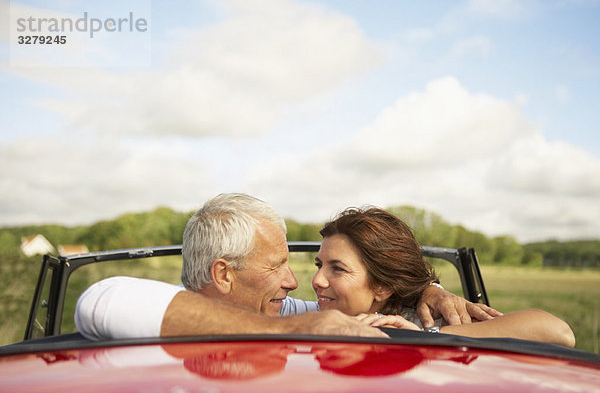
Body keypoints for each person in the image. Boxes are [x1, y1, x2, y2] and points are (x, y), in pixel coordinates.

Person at [75, 193, 497, 340]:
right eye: (277, 265)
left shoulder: (292, 311)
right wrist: (291, 330)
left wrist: (425, 288)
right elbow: (101, 299)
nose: (297, 282)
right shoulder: (292, 319)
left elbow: (553, 332)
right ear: (224, 274)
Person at [312, 207, 575, 347]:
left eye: (337, 268)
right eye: (319, 265)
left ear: (383, 286)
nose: (317, 280)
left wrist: (423, 337)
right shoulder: (306, 315)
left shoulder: (424, 321)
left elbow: (559, 332)